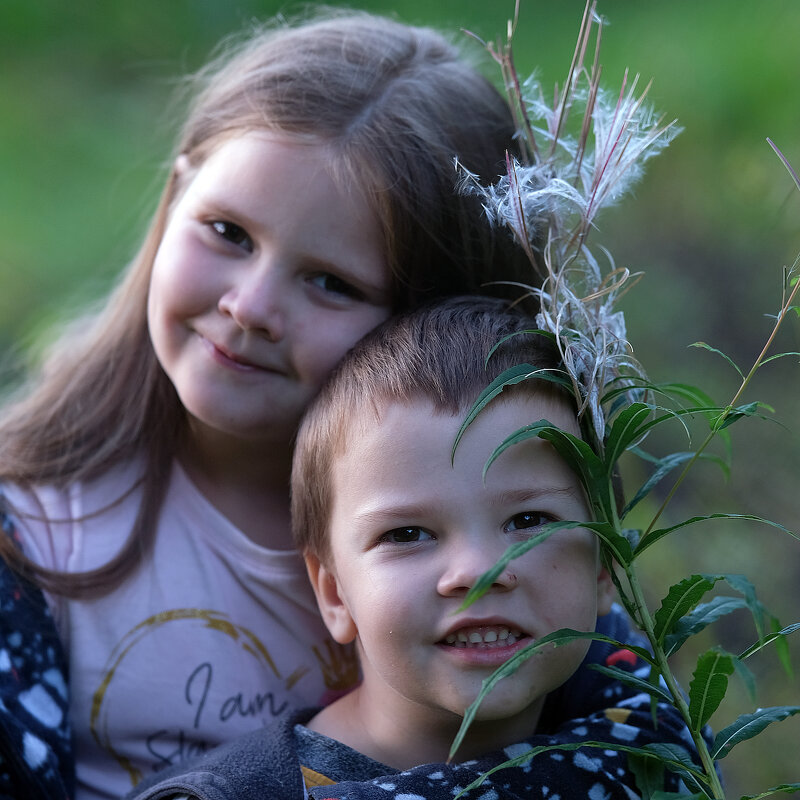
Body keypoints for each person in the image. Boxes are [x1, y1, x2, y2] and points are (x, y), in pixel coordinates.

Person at [0, 9, 620, 800]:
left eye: (331, 282)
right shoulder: (34, 532)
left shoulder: (509, 540)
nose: (251, 306)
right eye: (227, 231)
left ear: (435, 323)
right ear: (177, 191)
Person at [127, 297, 696, 800]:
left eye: (528, 520)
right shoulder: (241, 794)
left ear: (605, 566)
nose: (477, 571)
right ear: (333, 592)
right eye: (406, 534)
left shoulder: (650, 746)